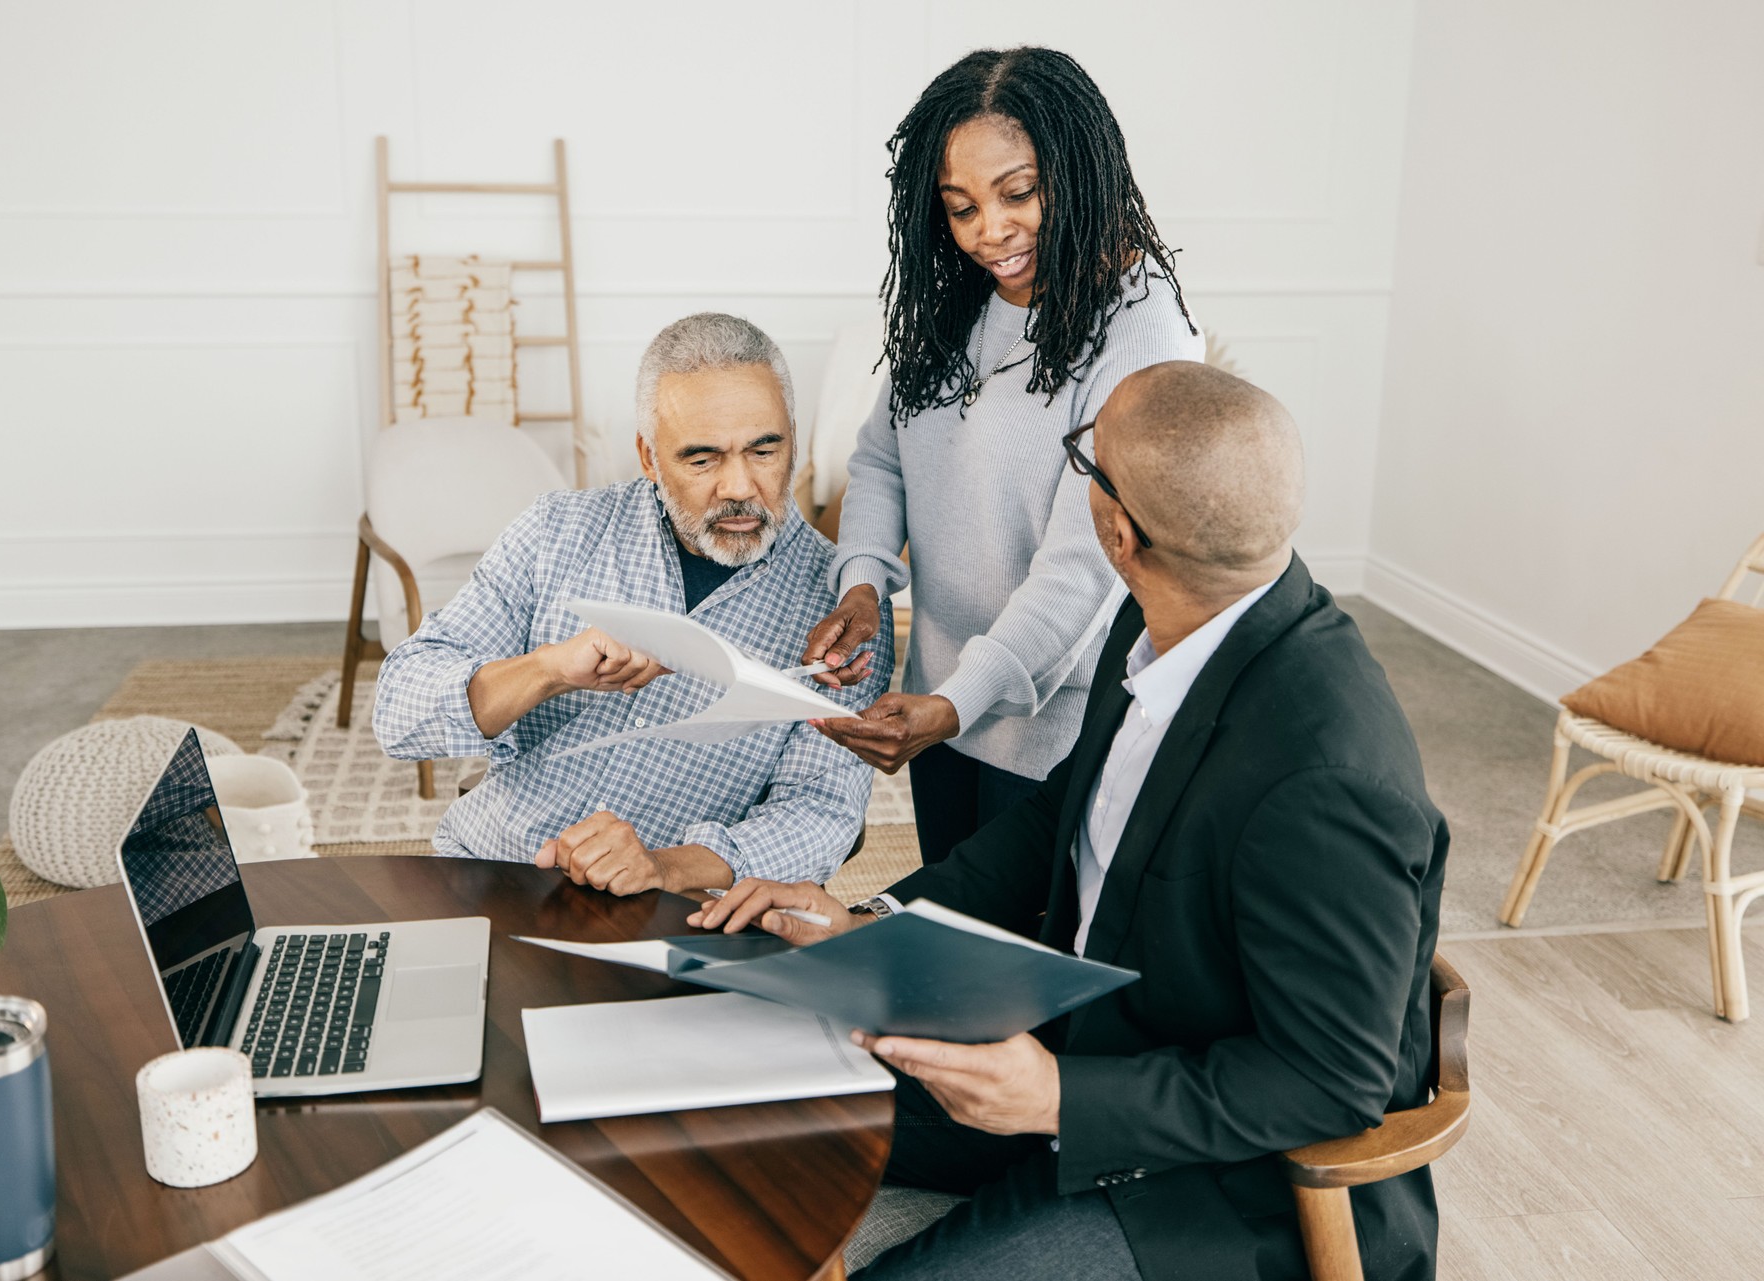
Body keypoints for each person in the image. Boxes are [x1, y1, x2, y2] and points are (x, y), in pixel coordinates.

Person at [701, 362, 1448, 1280]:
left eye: (1081, 463)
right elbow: (1061, 820)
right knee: (729, 1077)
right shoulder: (1158, 619)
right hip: (1082, 1039)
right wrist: (872, 926)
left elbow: (1330, 1080)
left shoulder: (1326, 777)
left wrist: (1057, 1096)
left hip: (1218, 1182)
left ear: (1115, 529)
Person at [803, 47, 1204, 864]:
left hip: (1057, 727)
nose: (990, 232)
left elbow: (1082, 565)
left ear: (1081, 170)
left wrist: (956, 702)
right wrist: (863, 582)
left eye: (1019, 193)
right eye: (961, 207)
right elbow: (881, 457)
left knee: (1027, 970)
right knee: (954, 952)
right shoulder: (959, 304)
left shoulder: (1143, 328)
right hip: (942, 698)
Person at [373, 313, 892, 897]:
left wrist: (662, 867)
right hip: (497, 873)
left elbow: (820, 815)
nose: (740, 487)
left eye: (764, 450)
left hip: (676, 915)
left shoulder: (845, 612)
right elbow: (399, 716)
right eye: (702, 459)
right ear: (649, 456)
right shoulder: (556, 532)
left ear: (791, 438)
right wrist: (545, 671)